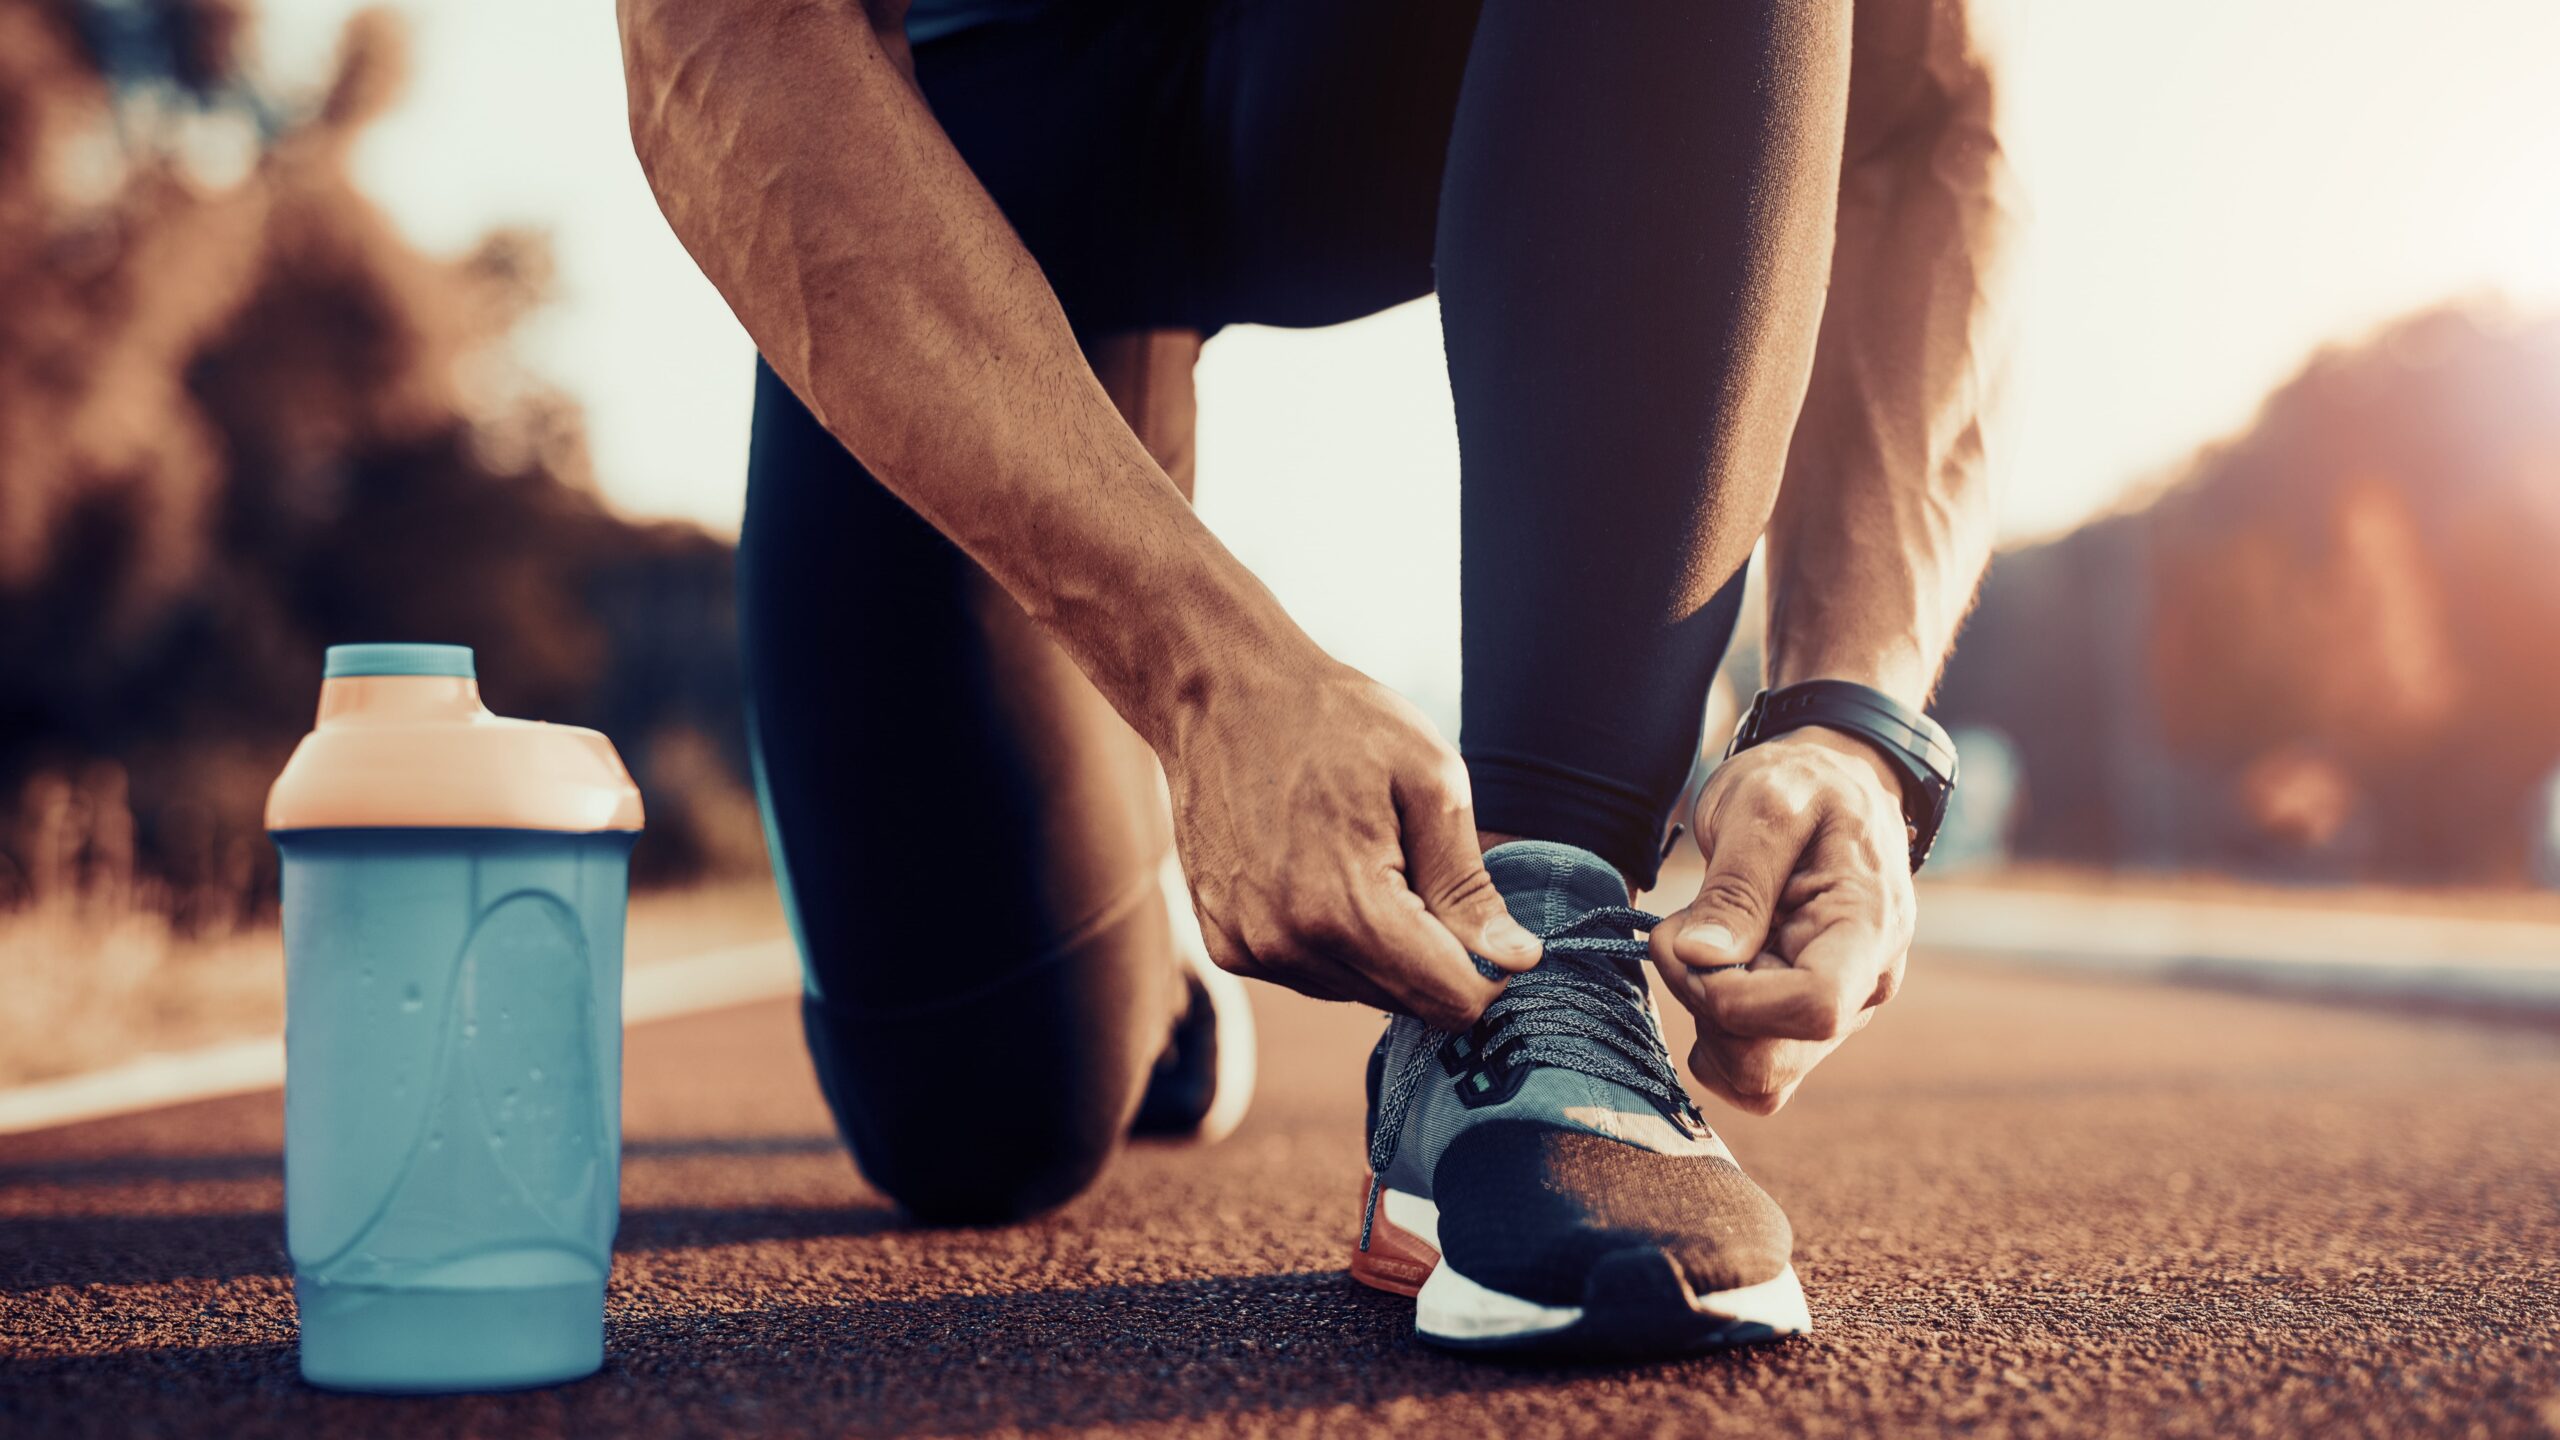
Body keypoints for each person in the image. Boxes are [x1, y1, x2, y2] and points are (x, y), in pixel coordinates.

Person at [617, 0, 2016, 1357]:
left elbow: (1929, 86)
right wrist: (1203, 673)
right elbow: (713, 40)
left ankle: (1542, 967)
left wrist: (1855, 720)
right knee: (976, 1120)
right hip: (983, 120)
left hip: (1387, 68)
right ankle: (1146, 929)